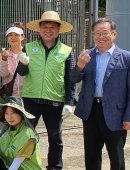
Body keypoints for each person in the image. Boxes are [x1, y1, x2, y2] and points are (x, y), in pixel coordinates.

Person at [18, 11, 76, 169]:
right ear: (39, 29)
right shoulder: (28, 48)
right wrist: (23, 63)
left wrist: (69, 102)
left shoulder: (67, 50)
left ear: (58, 30)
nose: (48, 30)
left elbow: (70, 79)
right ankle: (25, 165)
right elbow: (21, 72)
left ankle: (55, 167)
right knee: (27, 136)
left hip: (55, 101)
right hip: (31, 99)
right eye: (45, 27)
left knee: (55, 138)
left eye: (52, 27)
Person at [72, 18, 129, 169]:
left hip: (115, 114)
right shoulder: (86, 56)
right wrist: (80, 65)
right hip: (91, 112)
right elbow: (73, 79)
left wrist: (128, 116)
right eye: (97, 33)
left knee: (116, 157)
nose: (100, 36)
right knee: (91, 155)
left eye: (105, 33)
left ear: (114, 34)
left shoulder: (126, 58)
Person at [0, 96, 43, 170]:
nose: (9, 117)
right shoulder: (8, 129)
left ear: (21, 113)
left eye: (13, 113)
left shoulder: (27, 135)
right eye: (6, 113)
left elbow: (16, 164)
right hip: (9, 167)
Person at [0, 22, 27, 97]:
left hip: (27, 94)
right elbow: (3, 74)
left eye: (16, 35)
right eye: (10, 35)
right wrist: (4, 59)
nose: (13, 37)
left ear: (22, 37)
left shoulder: (28, 54)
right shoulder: (2, 54)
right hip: (10, 94)